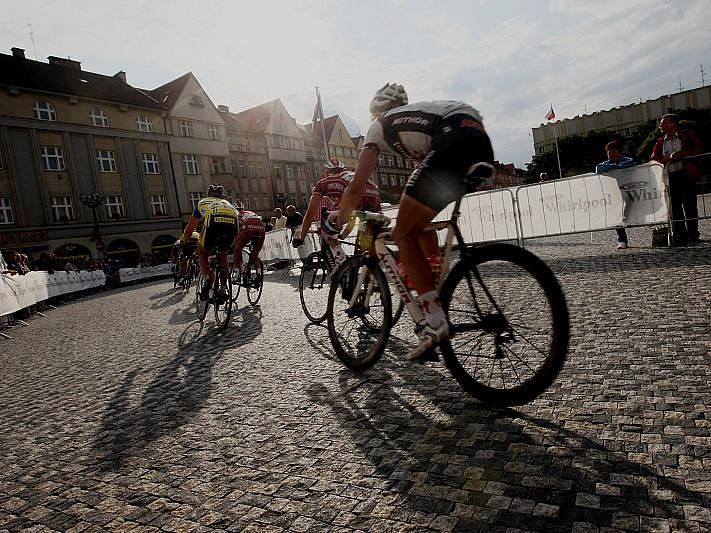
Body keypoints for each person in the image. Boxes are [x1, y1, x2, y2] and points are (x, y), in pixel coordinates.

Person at [331, 83, 494, 360]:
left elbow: (358, 183)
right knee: (416, 223)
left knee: (403, 233)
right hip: (476, 138)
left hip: (452, 139)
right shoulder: (415, 122)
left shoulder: (380, 126)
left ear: (376, 113)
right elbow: (419, 183)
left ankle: (433, 322)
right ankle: (430, 278)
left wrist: (337, 218)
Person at [650, 114, 703, 245]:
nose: (661, 126)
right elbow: (653, 159)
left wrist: (683, 155)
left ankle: (693, 234)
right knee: (675, 208)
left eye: (664, 123)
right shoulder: (660, 142)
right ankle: (681, 235)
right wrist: (668, 159)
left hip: (687, 174)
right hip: (671, 177)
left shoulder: (687, 135)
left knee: (690, 205)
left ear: (673, 124)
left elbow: (698, 148)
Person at [180, 184, 239, 300]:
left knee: (202, 251)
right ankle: (223, 286)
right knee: (222, 254)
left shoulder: (202, 203)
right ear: (223, 195)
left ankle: (207, 279)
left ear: (209, 194)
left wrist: (184, 239)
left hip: (213, 223)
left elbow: (191, 227)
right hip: (232, 224)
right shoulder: (229, 204)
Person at [595, 140, 637, 249]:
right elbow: (598, 168)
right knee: (617, 216)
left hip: (629, 192)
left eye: (613, 152)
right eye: (609, 152)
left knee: (628, 211)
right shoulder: (605, 164)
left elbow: (632, 163)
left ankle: (628, 220)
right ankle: (622, 240)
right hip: (614, 194)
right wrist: (614, 167)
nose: (611, 154)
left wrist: (617, 167)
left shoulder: (627, 160)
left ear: (619, 152)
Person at [234, 208, 266, 273]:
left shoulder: (237, 214)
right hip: (261, 227)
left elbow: (237, 229)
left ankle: (236, 271)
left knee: (237, 249)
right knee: (255, 253)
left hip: (248, 226)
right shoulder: (250, 212)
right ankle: (258, 270)